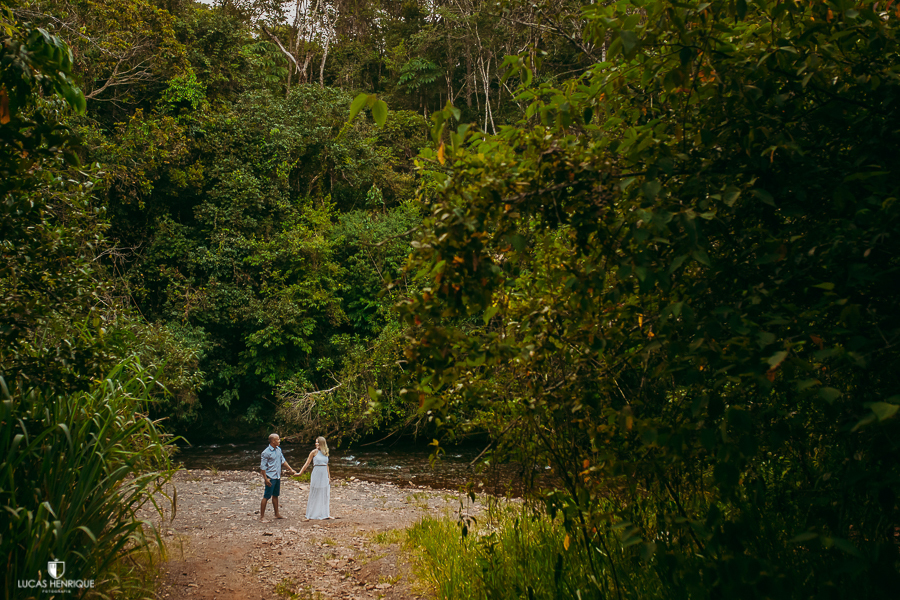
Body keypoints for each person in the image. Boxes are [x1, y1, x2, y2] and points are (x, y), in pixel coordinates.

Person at [259, 433, 296, 522]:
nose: (279, 441)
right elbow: (263, 467)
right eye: (278, 439)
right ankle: (262, 517)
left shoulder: (278, 450)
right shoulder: (266, 452)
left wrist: (291, 469)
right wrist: (265, 478)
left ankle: (277, 514)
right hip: (270, 477)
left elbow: (283, 461)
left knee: (275, 495)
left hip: (277, 476)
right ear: (273, 441)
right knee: (266, 496)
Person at [296, 436, 334, 520]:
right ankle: (311, 514)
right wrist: (300, 473)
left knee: (325, 493)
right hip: (317, 472)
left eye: (317, 442)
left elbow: (327, 465)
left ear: (322, 443)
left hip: (324, 473)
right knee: (315, 492)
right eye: (316, 442)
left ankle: (325, 513)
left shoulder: (325, 452)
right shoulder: (314, 452)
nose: (316, 444)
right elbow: (307, 463)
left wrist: (329, 477)